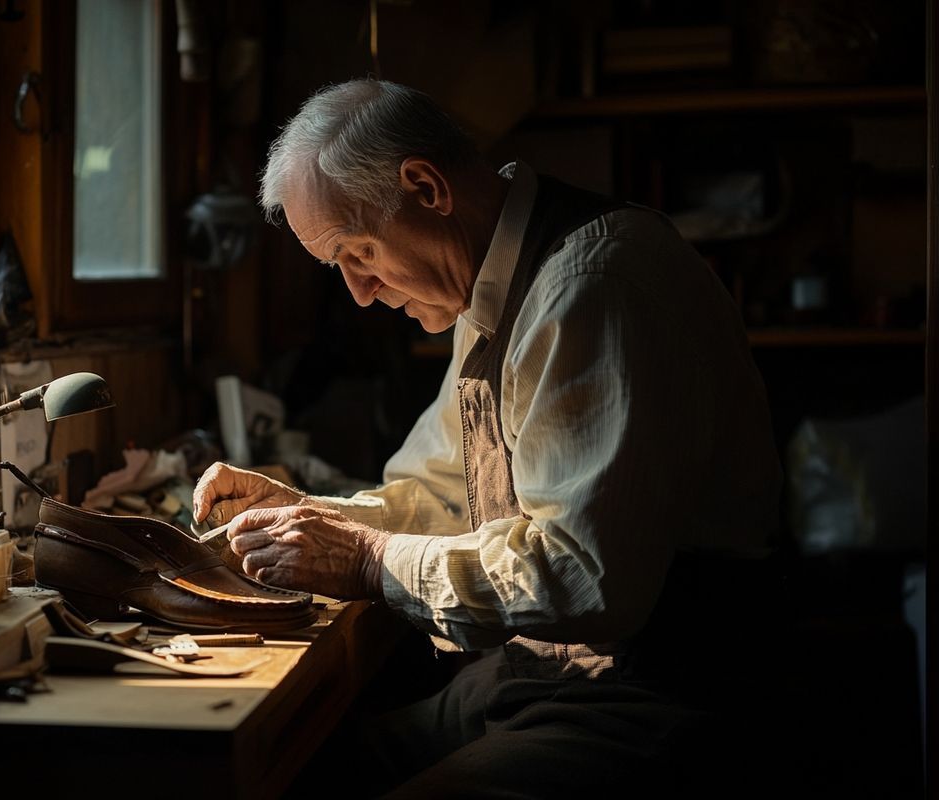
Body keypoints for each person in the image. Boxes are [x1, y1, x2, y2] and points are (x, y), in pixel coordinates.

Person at [192, 79, 783, 797]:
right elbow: (443, 493)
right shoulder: (489, 283)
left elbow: (583, 576)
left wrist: (368, 558)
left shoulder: (589, 287)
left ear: (425, 187)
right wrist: (312, 520)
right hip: (551, 671)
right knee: (310, 772)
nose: (359, 292)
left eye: (359, 252)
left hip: (660, 684)